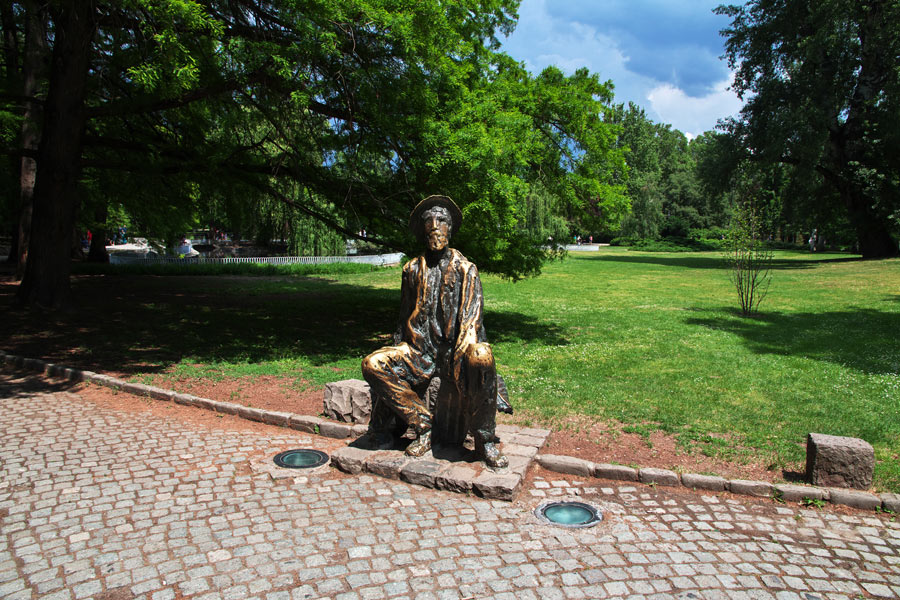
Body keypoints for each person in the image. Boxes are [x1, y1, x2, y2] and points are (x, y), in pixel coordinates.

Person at [361, 195, 509, 468]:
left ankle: (484, 440)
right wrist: (396, 350)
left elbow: (472, 323)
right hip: (419, 352)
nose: (434, 226)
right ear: (422, 231)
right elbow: (403, 318)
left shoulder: (467, 270)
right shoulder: (411, 269)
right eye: (428, 221)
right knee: (373, 363)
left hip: (457, 351)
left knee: (482, 355)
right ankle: (424, 425)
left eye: (441, 220)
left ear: (450, 229)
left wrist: (465, 359)